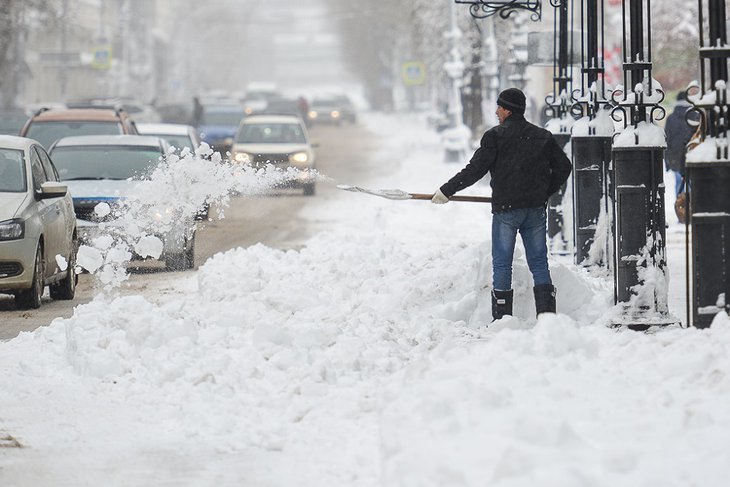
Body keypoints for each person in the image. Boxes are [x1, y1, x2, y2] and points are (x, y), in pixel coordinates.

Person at [431, 88, 572, 321]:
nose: (496, 111)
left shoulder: (495, 136)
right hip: (535, 210)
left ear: (508, 109)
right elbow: (563, 166)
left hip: (506, 210)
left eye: (499, 107)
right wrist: (544, 192)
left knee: (502, 264)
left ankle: (503, 319)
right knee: (538, 262)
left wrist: (447, 191)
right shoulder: (542, 137)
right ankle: (548, 317)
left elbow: (475, 170)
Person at [664, 91, 696, 197]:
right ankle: (692, 205)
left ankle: (680, 205)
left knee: (679, 182)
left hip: (675, 155)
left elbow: (667, 139)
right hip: (691, 152)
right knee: (692, 181)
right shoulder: (695, 116)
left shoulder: (671, 118)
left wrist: (667, 161)